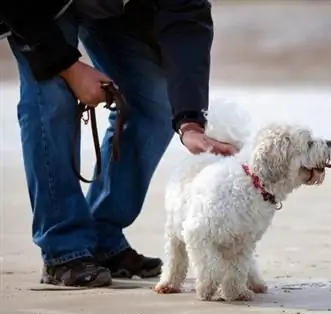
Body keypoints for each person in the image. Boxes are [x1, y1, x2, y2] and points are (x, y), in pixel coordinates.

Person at [0, 0, 236, 287]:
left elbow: (186, 18)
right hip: (37, 11)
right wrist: (67, 66)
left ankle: (101, 235)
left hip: (113, 9)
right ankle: (63, 248)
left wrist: (189, 121)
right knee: (51, 98)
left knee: (158, 104)